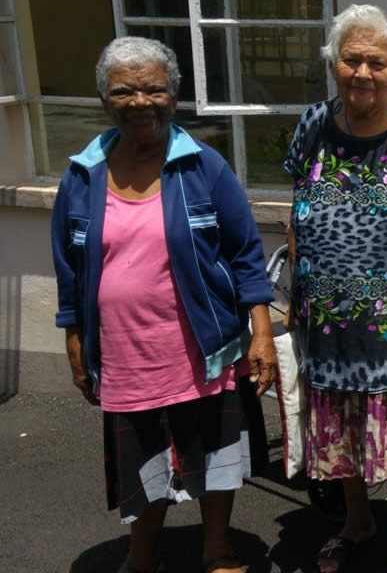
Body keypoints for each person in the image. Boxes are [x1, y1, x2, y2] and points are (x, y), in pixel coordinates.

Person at [51, 36, 278, 573]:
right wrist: (73, 337)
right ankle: (142, 552)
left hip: (203, 348)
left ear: (174, 96)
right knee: (141, 457)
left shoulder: (203, 166)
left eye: (154, 89)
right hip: (125, 351)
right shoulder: (82, 176)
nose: (140, 102)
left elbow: (245, 252)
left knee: (214, 453)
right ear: (104, 99)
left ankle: (217, 547)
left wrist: (262, 333)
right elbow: (68, 266)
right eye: (123, 91)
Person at [284, 4, 387, 573]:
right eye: (350, 60)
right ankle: (356, 519)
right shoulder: (313, 123)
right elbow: (297, 206)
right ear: (332, 63)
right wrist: (296, 285)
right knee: (338, 416)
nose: (362, 73)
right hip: (327, 312)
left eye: (375, 63)